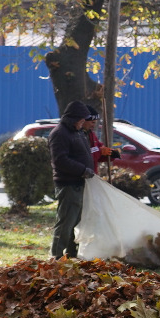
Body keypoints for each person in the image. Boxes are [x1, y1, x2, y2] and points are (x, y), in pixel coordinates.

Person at [49, 100, 103, 258]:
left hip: (80, 183)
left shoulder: (77, 132)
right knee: (66, 222)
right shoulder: (59, 134)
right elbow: (60, 160)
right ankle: (56, 256)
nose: (83, 123)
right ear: (73, 119)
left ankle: (72, 253)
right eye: (81, 120)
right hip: (68, 184)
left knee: (76, 222)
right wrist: (82, 170)